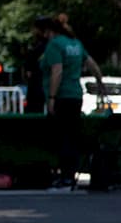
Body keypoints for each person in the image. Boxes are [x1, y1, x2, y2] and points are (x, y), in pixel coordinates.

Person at [36, 14, 102, 188]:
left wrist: (51, 97)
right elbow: (92, 64)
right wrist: (100, 82)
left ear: (48, 31)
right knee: (72, 135)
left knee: (61, 136)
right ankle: (70, 173)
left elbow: (56, 71)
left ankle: (64, 174)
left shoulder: (55, 45)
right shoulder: (76, 44)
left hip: (61, 96)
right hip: (76, 96)